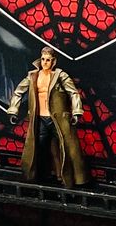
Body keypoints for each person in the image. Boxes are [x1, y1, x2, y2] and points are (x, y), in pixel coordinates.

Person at [7, 46, 89, 187]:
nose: (45, 62)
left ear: (53, 61)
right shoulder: (33, 76)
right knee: (38, 148)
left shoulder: (60, 75)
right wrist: (14, 109)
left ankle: (69, 177)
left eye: (48, 60)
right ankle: (38, 175)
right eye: (43, 59)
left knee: (66, 148)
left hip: (58, 119)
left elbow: (73, 93)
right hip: (40, 119)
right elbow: (18, 92)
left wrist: (76, 111)